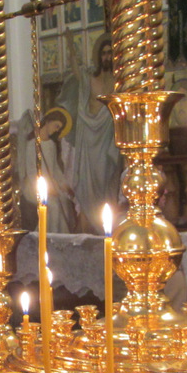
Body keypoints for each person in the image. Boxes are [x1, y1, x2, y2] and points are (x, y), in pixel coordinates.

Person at [61, 32, 118, 233]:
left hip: (107, 139)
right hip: (89, 137)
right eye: (104, 53)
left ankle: (106, 227)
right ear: (99, 56)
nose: (107, 57)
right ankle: (90, 228)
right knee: (87, 185)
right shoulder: (90, 79)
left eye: (110, 53)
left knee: (106, 181)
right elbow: (76, 71)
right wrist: (70, 46)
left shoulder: (118, 83)